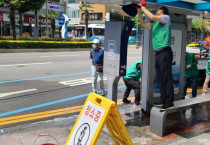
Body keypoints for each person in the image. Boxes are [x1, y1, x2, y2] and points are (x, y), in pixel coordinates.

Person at [137, 0, 174, 111]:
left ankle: (169, 102)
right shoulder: (156, 24)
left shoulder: (166, 18)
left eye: (158, 10)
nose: (156, 11)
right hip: (158, 54)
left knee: (166, 78)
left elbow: (152, 17)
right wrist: (139, 11)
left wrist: (143, 7)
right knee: (160, 78)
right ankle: (164, 100)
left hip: (165, 52)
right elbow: (143, 24)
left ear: (161, 11)